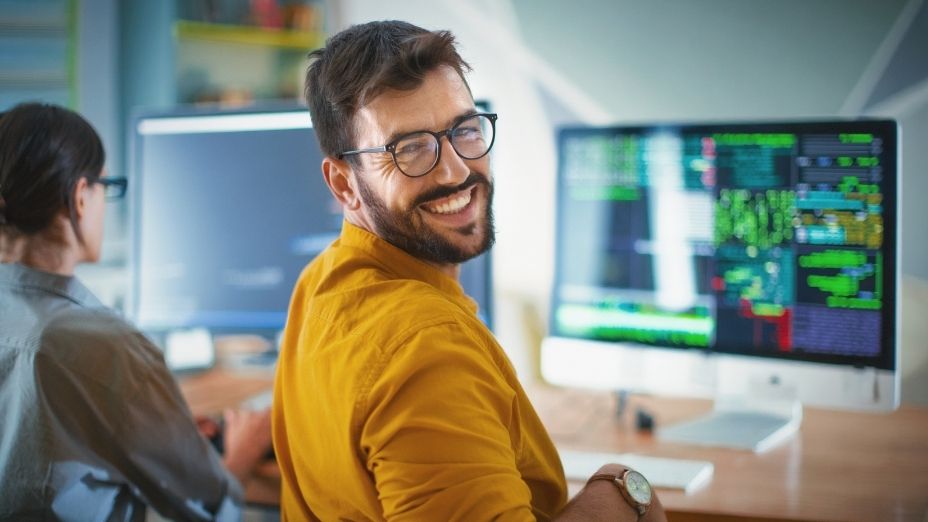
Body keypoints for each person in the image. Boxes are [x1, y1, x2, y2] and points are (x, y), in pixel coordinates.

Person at [272, 21, 667, 521]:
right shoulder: (427, 348)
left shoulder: (322, 283)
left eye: (465, 129)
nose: (456, 170)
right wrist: (624, 491)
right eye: (410, 148)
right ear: (344, 184)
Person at [0, 102, 273, 520]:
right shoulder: (102, 344)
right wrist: (242, 451)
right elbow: (205, 507)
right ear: (79, 198)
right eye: (104, 187)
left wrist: (163, 429)